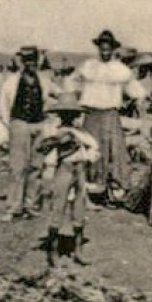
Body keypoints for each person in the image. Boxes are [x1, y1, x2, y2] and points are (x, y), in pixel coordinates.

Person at [74, 30, 146, 206]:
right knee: (90, 149)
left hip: (110, 115)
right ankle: (87, 193)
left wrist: (135, 100)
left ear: (113, 49)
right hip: (91, 114)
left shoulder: (120, 69)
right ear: (98, 48)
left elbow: (137, 91)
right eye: (102, 49)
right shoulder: (89, 66)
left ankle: (109, 191)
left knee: (113, 151)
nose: (105, 52)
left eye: (108, 49)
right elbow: (72, 82)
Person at [37, 101, 99, 265]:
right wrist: (58, 142)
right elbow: (43, 150)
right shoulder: (57, 132)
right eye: (66, 114)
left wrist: (85, 153)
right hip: (64, 168)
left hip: (79, 170)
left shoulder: (79, 133)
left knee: (79, 207)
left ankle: (78, 250)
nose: (69, 117)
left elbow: (94, 148)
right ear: (60, 116)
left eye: (72, 114)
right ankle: (53, 251)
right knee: (58, 206)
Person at [0, 46, 53, 220]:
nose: (30, 64)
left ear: (37, 62)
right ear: (22, 62)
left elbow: (50, 99)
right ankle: (13, 207)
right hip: (19, 123)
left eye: (33, 61)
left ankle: (31, 204)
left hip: (38, 124)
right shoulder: (12, 81)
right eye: (27, 60)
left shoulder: (44, 81)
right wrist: (11, 124)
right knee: (17, 166)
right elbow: (3, 105)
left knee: (36, 165)